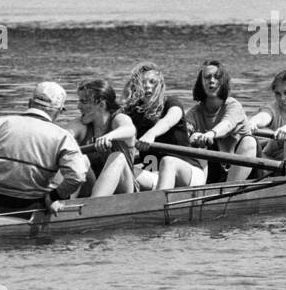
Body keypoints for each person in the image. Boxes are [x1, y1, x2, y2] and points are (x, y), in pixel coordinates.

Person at [0, 81, 87, 217]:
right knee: (84, 161)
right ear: (58, 111)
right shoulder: (62, 136)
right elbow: (77, 176)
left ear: (29, 103)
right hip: (30, 209)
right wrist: (53, 197)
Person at [92, 62, 201, 194]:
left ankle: (158, 207)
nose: (147, 86)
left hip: (189, 173)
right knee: (117, 163)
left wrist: (151, 134)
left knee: (168, 162)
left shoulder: (172, 103)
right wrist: (123, 98)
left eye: (152, 82)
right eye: (142, 82)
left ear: (160, 84)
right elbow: (115, 119)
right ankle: (95, 206)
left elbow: (167, 122)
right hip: (155, 176)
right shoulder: (134, 113)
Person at [186, 60, 254, 183]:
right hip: (216, 170)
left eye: (216, 77)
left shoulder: (233, 105)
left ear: (223, 82)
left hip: (247, 170)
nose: (212, 80)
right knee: (195, 138)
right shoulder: (194, 113)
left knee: (249, 141)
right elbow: (183, 132)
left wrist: (210, 134)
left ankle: (229, 191)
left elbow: (227, 124)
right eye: (207, 77)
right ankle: (198, 190)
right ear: (200, 83)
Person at [70, 79, 137, 195]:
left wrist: (109, 136)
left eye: (84, 102)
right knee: (79, 158)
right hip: (91, 186)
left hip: (123, 189)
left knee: (118, 157)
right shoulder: (82, 124)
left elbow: (130, 129)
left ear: (101, 105)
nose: (78, 106)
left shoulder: (118, 119)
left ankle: (95, 206)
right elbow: (61, 136)